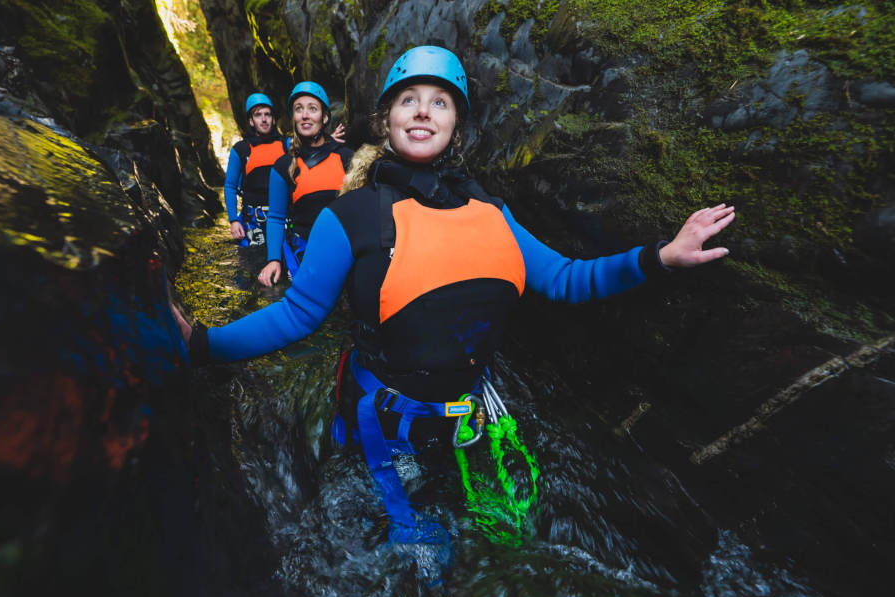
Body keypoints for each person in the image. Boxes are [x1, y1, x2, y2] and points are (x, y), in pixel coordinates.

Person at [174, 46, 735, 545]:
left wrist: (661, 256)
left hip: (474, 420)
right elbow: (296, 317)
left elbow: (566, 278)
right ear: (386, 121)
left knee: (510, 547)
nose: (422, 110)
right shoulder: (352, 217)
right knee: (424, 565)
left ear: (457, 127)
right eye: (408, 100)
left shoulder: (494, 215)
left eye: (439, 101)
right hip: (388, 430)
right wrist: (203, 343)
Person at [258, 82, 353, 286]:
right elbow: (275, 217)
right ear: (294, 118)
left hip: (344, 252)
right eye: (298, 109)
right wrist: (273, 260)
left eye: (312, 108)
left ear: (324, 117)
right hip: (303, 255)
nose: (305, 115)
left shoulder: (347, 158)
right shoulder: (283, 166)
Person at [224, 93, 288, 246]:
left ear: (273, 119)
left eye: (267, 114)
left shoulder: (287, 145)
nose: (264, 119)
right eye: (258, 115)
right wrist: (233, 221)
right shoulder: (240, 149)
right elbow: (230, 186)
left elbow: (311, 150)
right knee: (252, 264)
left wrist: (329, 140)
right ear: (251, 121)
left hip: (284, 217)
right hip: (253, 221)